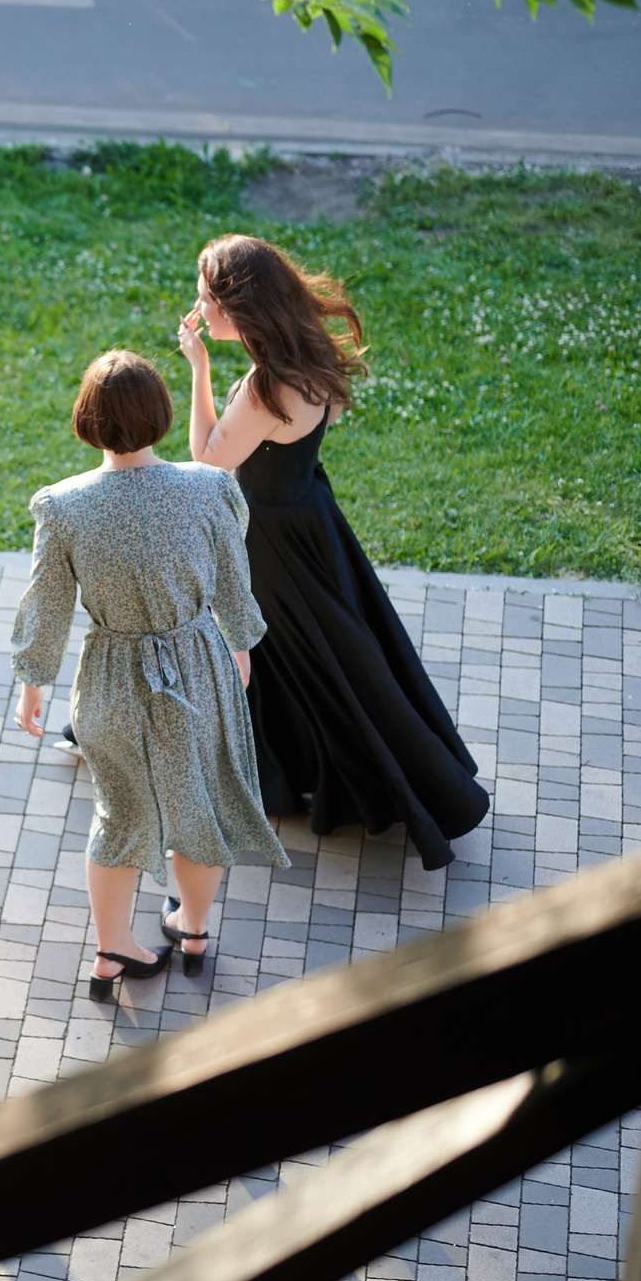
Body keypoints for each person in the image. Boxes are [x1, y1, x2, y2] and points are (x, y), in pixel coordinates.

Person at [176, 233, 489, 870]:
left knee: (297, 656)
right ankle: (277, 771)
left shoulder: (268, 385)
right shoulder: (307, 356)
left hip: (271, 540)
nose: (199, 308)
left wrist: (200, 370)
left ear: (241, 308)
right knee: (326, 655)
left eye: (208, 297)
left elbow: (207, 462)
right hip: (309, 518)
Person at [12, 350, 287, 999]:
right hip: (196, 664)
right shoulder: (208, 487)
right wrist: (239, 649)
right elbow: (231, 580)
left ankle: (112, 953)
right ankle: (191, 931)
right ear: (161, 416)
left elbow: (45, 605)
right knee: (200, 802)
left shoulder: (64, 507)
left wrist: (34, 681)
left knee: (118, 813)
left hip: (110, 675)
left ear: (87, 421)